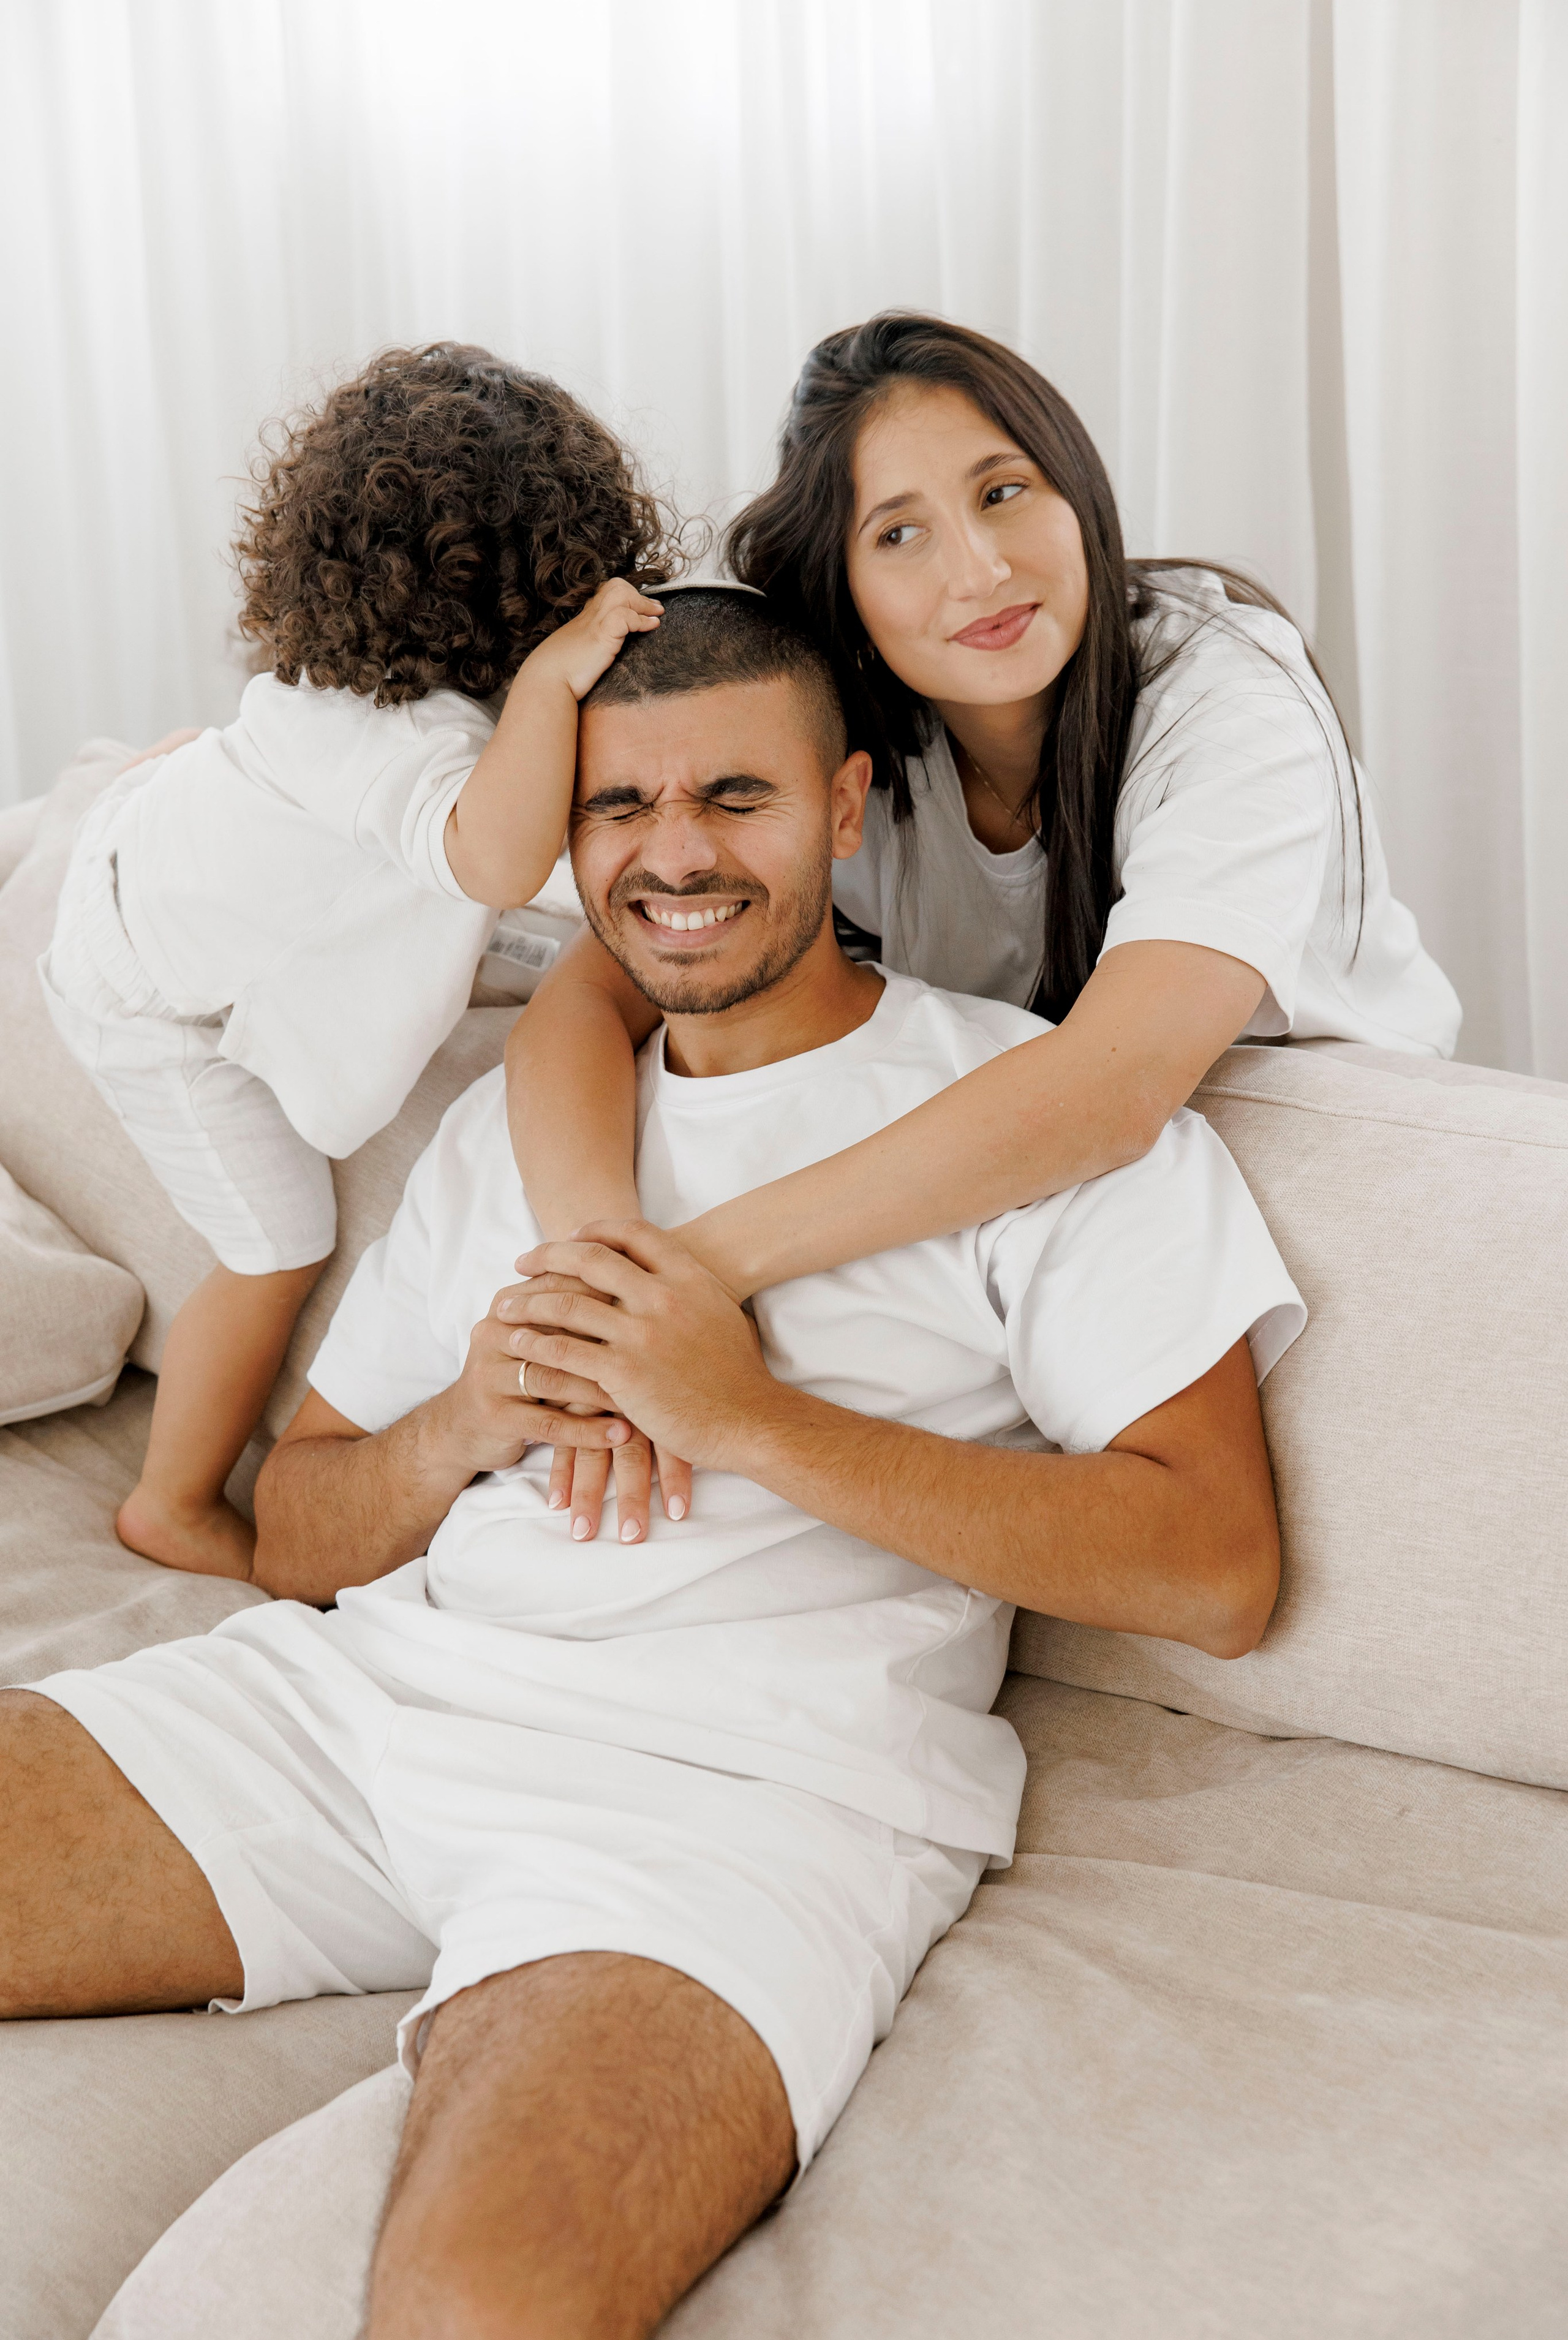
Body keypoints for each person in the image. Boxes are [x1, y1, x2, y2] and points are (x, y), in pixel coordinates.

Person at [1, 590, 1304, 2339]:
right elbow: (301, 1532)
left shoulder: (1040, 1123)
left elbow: (1213, 1571)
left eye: (736, 800)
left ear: (846, 808)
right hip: (367, 1705)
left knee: (484, 2308)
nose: (673, 854)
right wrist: (471, 1421)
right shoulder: (516, 1126)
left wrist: (748, 1415)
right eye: (621, 807)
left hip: (733, 1809)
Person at [510, 311, 1457, 1543]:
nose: (979, 570)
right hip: (1022, 1176)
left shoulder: (1222, 685)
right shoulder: (850, 742)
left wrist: (692, 1273)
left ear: (1075, 492)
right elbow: (588, 994)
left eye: (1003, 492)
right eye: (898, 532)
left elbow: (1110, 1091)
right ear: (840, 581)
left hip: (1299, 1154)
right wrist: (605, 1276)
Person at [39, 341, 668, 1582]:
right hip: (135, 994)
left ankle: (127, 787)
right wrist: (548, 683)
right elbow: (491, 860)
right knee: (279, 1240)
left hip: (148, 837)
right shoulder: (388, 740)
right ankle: (168, 1500)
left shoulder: (363, 681)